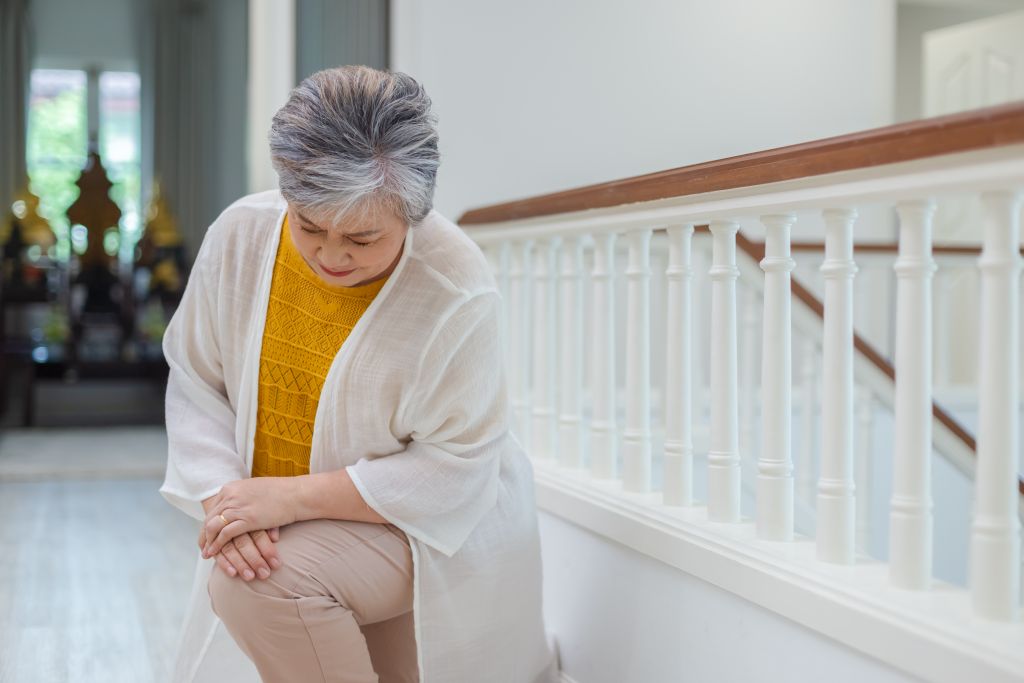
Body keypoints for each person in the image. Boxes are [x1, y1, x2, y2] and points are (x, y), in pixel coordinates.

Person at [159, 65, 559, 683]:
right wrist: (228, 506)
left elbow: (454, 467)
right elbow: (196, 381)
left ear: (412, 213)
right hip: (284, 517)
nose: (332, 256)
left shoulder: (454, 286)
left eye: (364, 237)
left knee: (263, 588)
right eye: (310, 227)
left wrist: (284, 499)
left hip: (425, 526)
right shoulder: (239, 235)